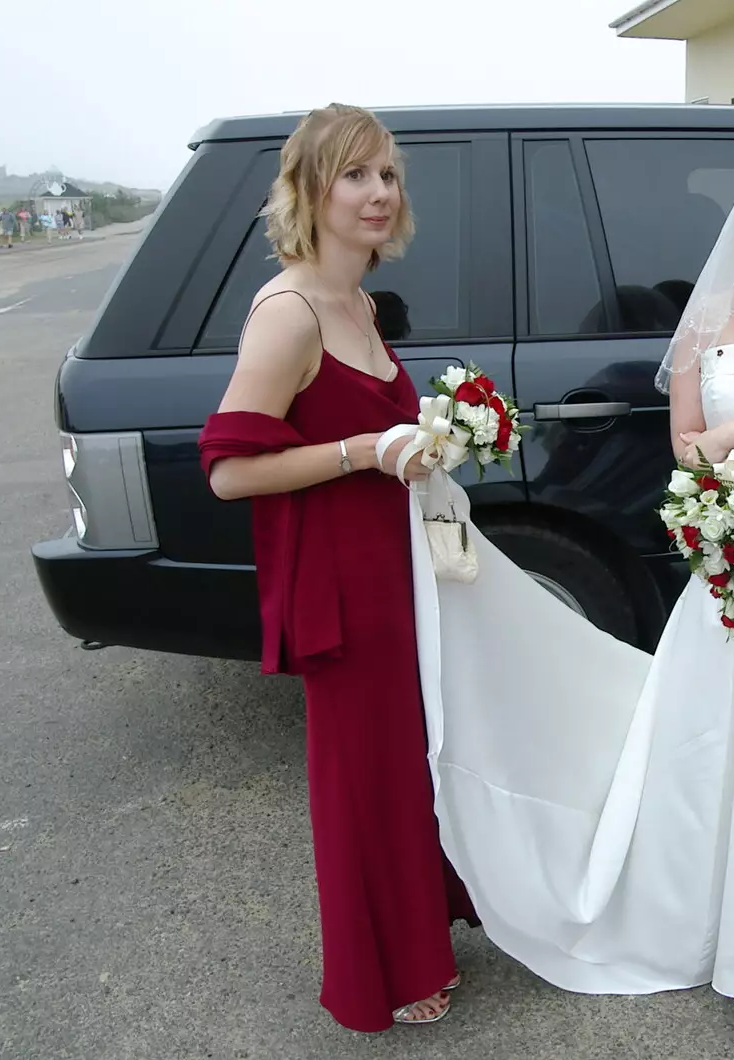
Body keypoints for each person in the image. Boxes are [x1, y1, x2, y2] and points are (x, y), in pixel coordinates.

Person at [417, 145, 734, 1001]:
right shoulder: (710, 315)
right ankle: (700, 907)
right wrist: (720, 484)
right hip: (731, 550)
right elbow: (684, 440)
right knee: (706, 734)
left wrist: (728, 445)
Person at [196, 103, 476, 1032]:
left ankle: (421, 931)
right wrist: (365, 448)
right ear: (310, 191)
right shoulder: (288, 312)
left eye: (388, 175)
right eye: (355, 175)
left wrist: (418, 447)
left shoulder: (357, 299)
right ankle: (383, 973)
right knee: (364, 780)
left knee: (408, 766)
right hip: (338, 587)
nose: (378, 193)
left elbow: (370, 433)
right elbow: (231, 471)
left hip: (391, 568)